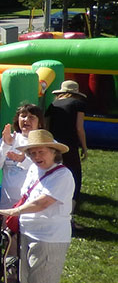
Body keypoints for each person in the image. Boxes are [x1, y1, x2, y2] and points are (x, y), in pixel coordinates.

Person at [0, 130, 75, 283]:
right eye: (33, 153)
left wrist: (12, 213)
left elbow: (42, 203)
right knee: (27, 279)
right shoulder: (33, 170)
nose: (37, 156)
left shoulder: (63, 175)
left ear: (54, 152)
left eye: (42, 151)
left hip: (49, 237)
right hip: (29, 232)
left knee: (42, 282)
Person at [0, 103, 46, 210]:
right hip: (8, 206)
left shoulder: (48, 143)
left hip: (34, 207)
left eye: (32, 117)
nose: (26, 120)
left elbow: (50, 168)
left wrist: (23, 160)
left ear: (40, 123)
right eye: (23, 116)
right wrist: (5, 146)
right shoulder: (9, 139)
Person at [46, 80, 88, 210]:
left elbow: (47, 126)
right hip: (70, 145)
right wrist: (85, 148)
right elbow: (79, 128)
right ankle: (70, 212)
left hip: (53, 146)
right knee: (74, 176)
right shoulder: (78, 104)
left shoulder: (52, 105)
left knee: (54, 174)